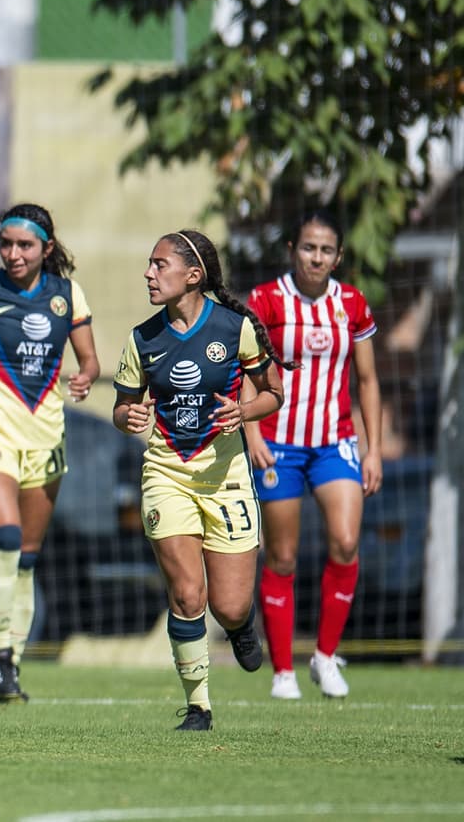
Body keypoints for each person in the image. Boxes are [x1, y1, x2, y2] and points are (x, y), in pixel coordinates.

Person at [112, 229, 286, 731]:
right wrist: (130, 417)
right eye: (148, 264)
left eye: (159, 265)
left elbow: (273, 392)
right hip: (166, 472)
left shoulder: (235, 329)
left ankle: (240, 625)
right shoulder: (141, 338)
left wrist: (245, 410)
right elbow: (123, 406)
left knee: (228, 605)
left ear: (193, 275)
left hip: (226, 474)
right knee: (188, 595)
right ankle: (199, 706)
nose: (149, 272)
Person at [244, 211, 382, 700]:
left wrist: (373, 451)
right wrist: (253, 431)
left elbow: (367, 380)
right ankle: (283, 672)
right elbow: (247, 370)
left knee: (345, 542)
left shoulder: (352, 304)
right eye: (308, 248)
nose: (317, 257)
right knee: (281, 555)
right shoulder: (265, 300)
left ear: (338, 256)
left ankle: (325, 657)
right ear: (291, 249)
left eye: (326, 250)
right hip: (278, 443)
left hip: (334, 442)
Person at [0, 204, 99, 702]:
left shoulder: (67, 296)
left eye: (25, 245)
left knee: (25, 557)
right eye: (6, 244)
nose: (14, 253)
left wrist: (85, 375)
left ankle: (13, 663)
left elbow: (88, 359)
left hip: (45, 437)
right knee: (3, 538)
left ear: (46, 248)